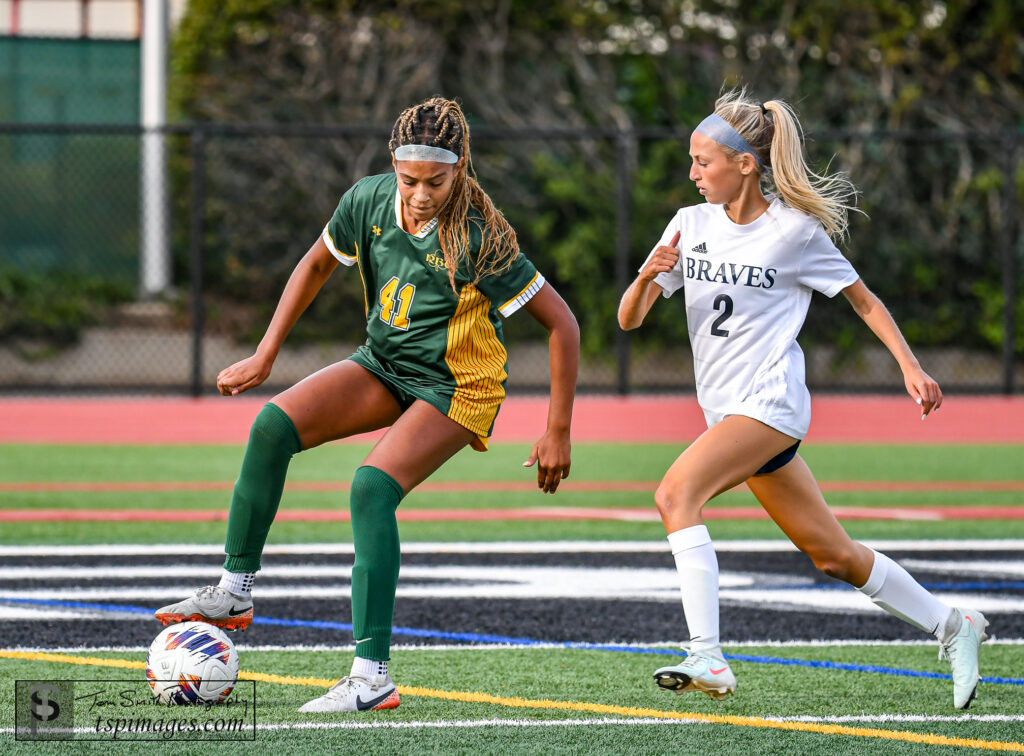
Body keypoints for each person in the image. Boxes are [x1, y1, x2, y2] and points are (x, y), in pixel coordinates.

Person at [155, 97, 579, 713]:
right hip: (385, 363)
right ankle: (233, 591)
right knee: (272, 425)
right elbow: (317, 262)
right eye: (410, 179)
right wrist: (266, 353)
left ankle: (371, 675)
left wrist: (557, 430)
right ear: (393, 166)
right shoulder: (369, 200)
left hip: (458, 385)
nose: (421, 193)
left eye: (436, 180)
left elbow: (561, 324)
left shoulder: (481, 236)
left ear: (461, 168)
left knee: (370, 489)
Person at [617, 89, 987, 710]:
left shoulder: (795, 232)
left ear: (744, 164)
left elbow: (863, 300)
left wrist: (911, 366)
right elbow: (629, 321)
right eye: (690, 160)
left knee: (675, 495)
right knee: (833, 556)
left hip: (771, 403)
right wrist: (646, 275)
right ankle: (954, 625)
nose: (691, 173)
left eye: (702, 161)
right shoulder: (688, 223)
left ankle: (707, 655)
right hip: (727, 411)